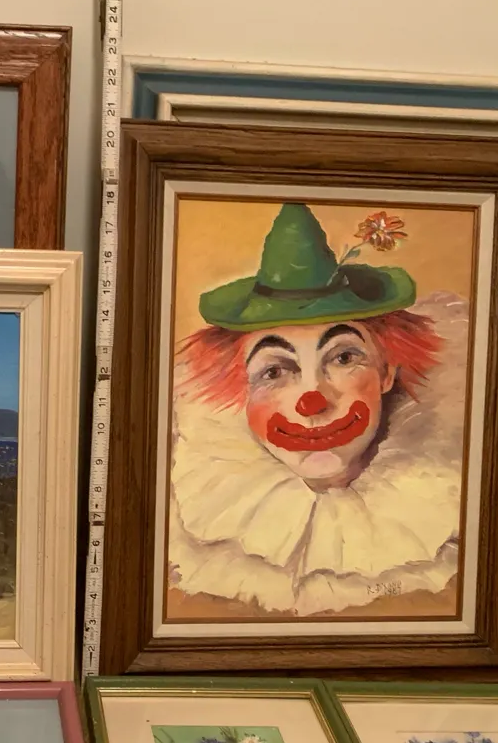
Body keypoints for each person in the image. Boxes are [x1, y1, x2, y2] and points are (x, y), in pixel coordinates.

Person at [168, 202, 466, 618]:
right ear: (241, 391)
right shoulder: (200, 519)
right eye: (274, 371)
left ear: (387, 371)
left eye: (343, 358)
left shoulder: (444, 500)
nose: (313, 400)